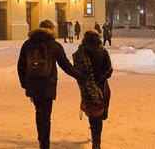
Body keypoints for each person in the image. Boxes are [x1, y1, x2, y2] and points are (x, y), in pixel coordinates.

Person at [17, 20, 83, 149]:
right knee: (46, 114)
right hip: (48, 83)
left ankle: (41, 138)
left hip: (33, 82)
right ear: (52, 29)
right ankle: (45, 144)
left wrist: (24, 83)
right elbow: (66, 66)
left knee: (38, 110)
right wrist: (80, 76)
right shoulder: (54, 45)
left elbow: (20, 65)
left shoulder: (28, 44)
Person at [73, 30, 113, 149]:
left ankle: (95, 140)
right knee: (99, 113)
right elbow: (109, 70)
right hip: (102, 86)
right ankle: (97, 140)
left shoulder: (81, 51)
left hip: (87, 87)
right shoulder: (102, 50)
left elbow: (77, 70)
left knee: (93, 113)